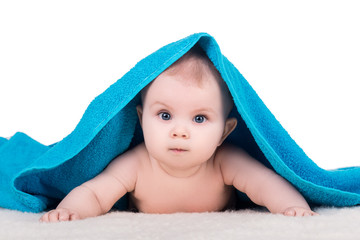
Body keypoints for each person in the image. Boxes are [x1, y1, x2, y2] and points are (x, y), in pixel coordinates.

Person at [40, 46, 317, 222]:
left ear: (224, 131)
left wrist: (292, 208)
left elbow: (266, 184)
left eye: (199, 118)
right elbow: (95, 194)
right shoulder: (136, 164)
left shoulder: (225, 161)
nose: (180, 132)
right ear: (141, 119)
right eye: (164, 115)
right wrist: (70, 211)